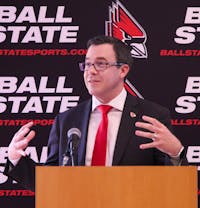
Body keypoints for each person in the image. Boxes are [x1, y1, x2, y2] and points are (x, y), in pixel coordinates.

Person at [4, 35, 185, 192]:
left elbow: (168, 184)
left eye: (100, 64)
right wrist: (16, 160)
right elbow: (52, 184)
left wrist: (176, 153)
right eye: (88, 64)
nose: (90, 71)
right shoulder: (66, 120)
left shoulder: (151, 116)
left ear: (123, 70)